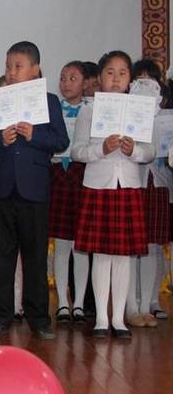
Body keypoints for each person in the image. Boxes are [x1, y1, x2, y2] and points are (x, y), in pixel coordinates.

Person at [0, 41, 68, 339]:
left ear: (35, 69)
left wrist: (34, 134)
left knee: (35, 257)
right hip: (3, 188)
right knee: (1, 256)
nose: (12, 72)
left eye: (18, 66)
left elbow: (61, 141)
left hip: (35, 189)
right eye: (8, 66)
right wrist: (0, 139)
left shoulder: (49, 101)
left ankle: (39, 318)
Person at [71, 51, 153, 338]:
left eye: (122, 73)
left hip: (128, 185)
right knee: (102, 255)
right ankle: (101, 319)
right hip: (98, 186)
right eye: (110, 72)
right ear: (99, 78)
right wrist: (101, 149)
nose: (116, 79)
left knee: (123, 256)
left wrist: (135, 150)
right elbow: (77, 151)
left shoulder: (140, 109)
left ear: (130, 78)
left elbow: (150, 151)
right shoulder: (89, 110)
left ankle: (119, 319)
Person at [125, 66, 169, 327]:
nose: (144, 86)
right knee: (131, 247)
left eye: (149, 81)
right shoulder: (124, 114)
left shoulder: (166, 117)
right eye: (138, 81)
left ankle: (147, 305)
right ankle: (132, 305)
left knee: (152, 245)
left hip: (158, 183)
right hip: (133, 183)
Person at [49, 61, 88, 323]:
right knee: (62, 243)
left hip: (82, 174)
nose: (66, 83)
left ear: (85, 82)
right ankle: (63, 303)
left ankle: (80, 303)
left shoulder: (91, 110)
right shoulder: (52, 110)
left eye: (73, 78)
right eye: (63, 78)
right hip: (57, 174)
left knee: (80, 245)